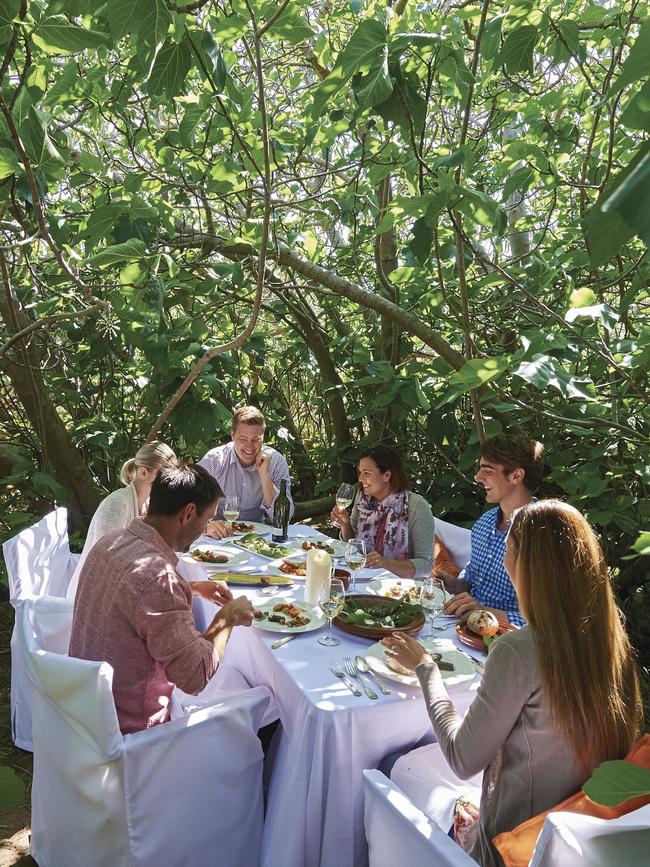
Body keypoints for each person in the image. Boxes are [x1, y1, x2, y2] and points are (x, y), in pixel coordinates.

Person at [382, 499, 641, 867]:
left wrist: (425, 669)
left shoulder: (519, 650)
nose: (505, 563)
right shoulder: (613, 644)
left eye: (509, 552)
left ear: (525, 565)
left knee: (391, 761)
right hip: (579, 839)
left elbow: (462, 759)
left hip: (510, 845)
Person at [69, 463, 254, 734]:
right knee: (259, 702)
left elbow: (131, 597)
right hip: (131, 733)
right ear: (188, 513)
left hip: (85, 708)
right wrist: (228, 618)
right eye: (207, 519)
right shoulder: (159, 580)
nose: (205, 529)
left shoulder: (109, 543)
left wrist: (191, 587)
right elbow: (195, 677)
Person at [441, 433, 544, 626]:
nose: (478, 478)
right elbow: (472, 576)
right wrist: (456, 584)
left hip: (510, 644)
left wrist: (486, 613)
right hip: (465, 630)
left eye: (487, 471)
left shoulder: (540, 534)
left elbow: (546, 621)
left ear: (516, 476)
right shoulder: (485, 523)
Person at [66, 441, 178, 600]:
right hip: (93, 598)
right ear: (143, 473)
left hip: (122, 589)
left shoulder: (146, 504)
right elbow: (107, 563)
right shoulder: (116, 504)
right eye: (164, 476)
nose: (169, 484)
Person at [330, 444, 434, 579]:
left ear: (387, 475)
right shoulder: (362, 500)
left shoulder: (416, 506)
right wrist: (345, 525)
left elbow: (426, 566)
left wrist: (386, 563)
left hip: (400, 586)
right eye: (360, 473)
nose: (360, 479)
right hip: (365, 576)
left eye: (367, 473)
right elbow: (354, 546)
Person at [199, 406, 294, 539]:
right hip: (218, 536)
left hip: (257, 538)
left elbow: (285, 517)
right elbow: (188, 502)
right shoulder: (214, 461)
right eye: (243, 439)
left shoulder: (276, 462)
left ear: (263, 436)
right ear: (232, 435)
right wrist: (207, 525)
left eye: (255, 439)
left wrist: (264, 476)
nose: (249, 446)